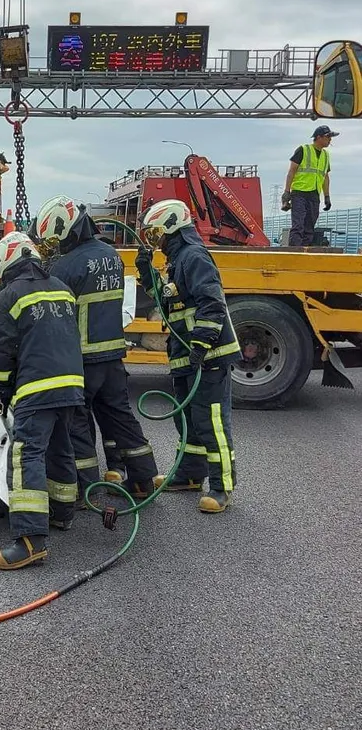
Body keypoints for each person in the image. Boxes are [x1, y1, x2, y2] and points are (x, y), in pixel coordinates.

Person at [32, 196, 158, 501]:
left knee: (77, 423)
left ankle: (85, 488)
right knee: (120, 417)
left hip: (83, 359)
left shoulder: (65, 266)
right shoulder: (111, 255)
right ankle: (143, 480)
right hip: (113, 357)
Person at [0, 230, 86, 570]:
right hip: (72, 385)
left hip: (36, 387)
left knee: (26, 453)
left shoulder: (9, 296)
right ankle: (62, 513)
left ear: (7, 261)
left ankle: (31, 541)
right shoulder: (62, 288)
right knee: (60, 447)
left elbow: (2, 354)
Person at [135, 198, 240, 513]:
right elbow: (167, 302)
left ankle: (221, 487)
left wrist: (201, 344)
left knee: (212, 423)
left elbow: (212, 303)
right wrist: (145, 270)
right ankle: (190, 475)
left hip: (208, 355)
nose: (155, 241)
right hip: (186, 356)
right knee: (188, 421)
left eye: (155, 234)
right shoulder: (176, 260)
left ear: (171, 227)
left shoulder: (193, 257)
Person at [282, 125, 338, 247]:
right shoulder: (303, 149)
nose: (330, 140)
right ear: (319, 137)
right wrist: (286, 192)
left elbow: (325, 177)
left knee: (310, 226)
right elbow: (291, 171)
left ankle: (305, 252)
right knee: (298, 225)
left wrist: (327, 197)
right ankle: (295, 253)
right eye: (328, 137)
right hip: (299, 193)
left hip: (314, 194)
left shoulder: (325, 155)